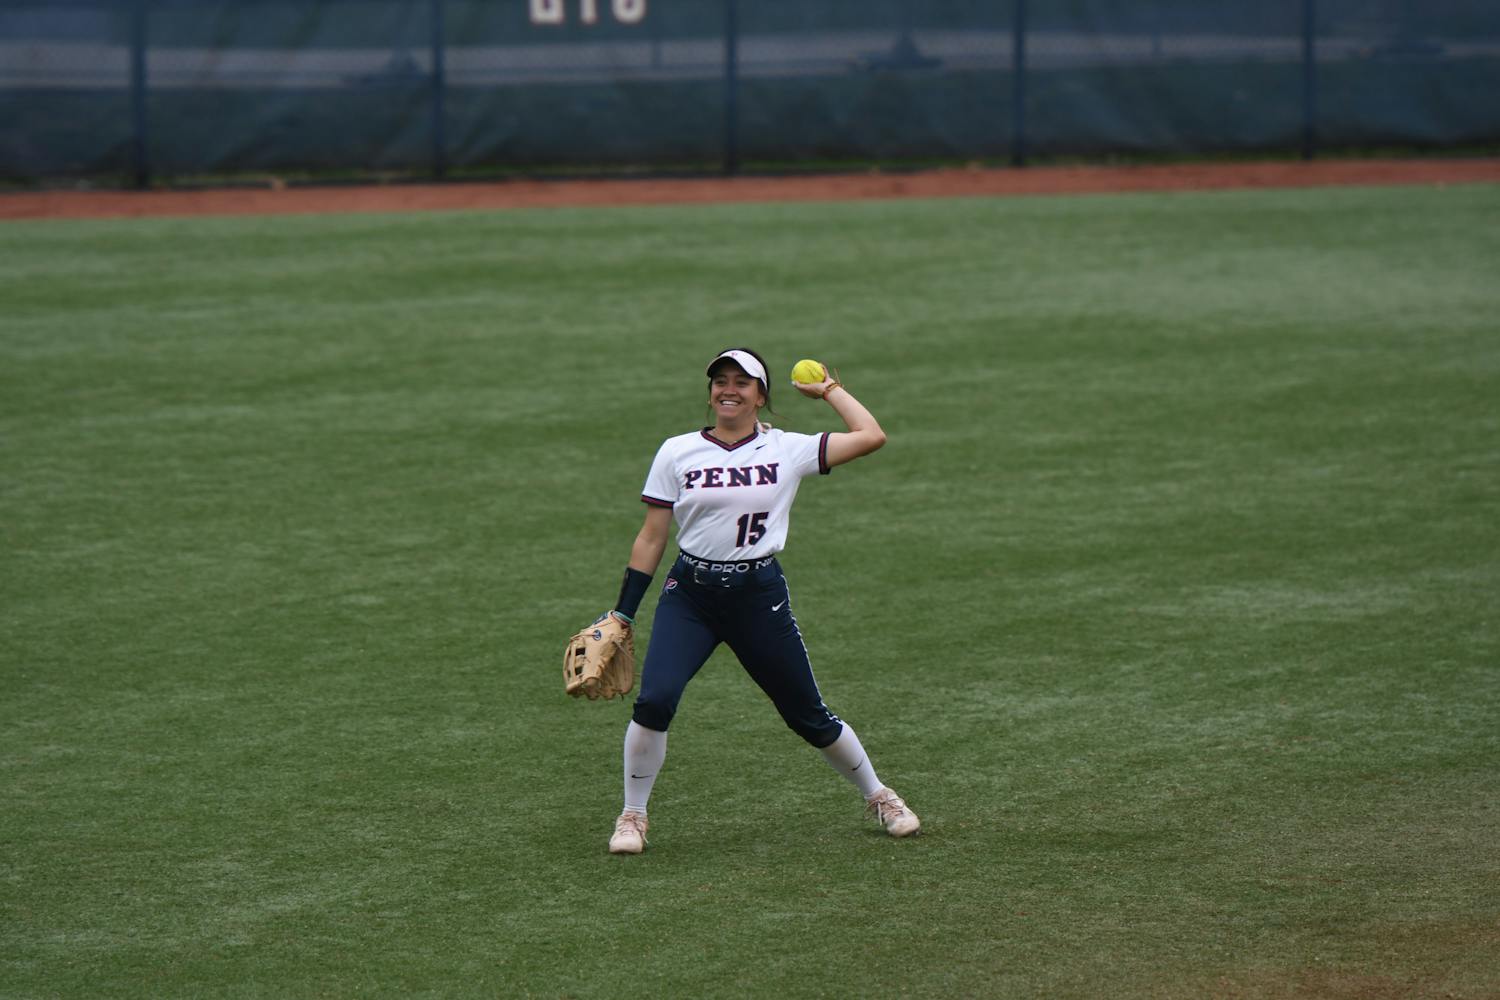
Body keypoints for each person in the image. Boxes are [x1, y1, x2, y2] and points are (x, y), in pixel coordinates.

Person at [602, 347, 920, 854]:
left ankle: (880, 796)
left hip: (758, 597)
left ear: (760, 396)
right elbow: (651, 537)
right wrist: (623, 612)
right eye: (720, 381)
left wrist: (830, 391)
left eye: (742, 382)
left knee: (806, 714)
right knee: (654, 700)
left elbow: (871, 436)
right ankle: (632, 816)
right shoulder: (677, 451)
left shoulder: (786, 449)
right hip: (691, 597)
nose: (728, 389)